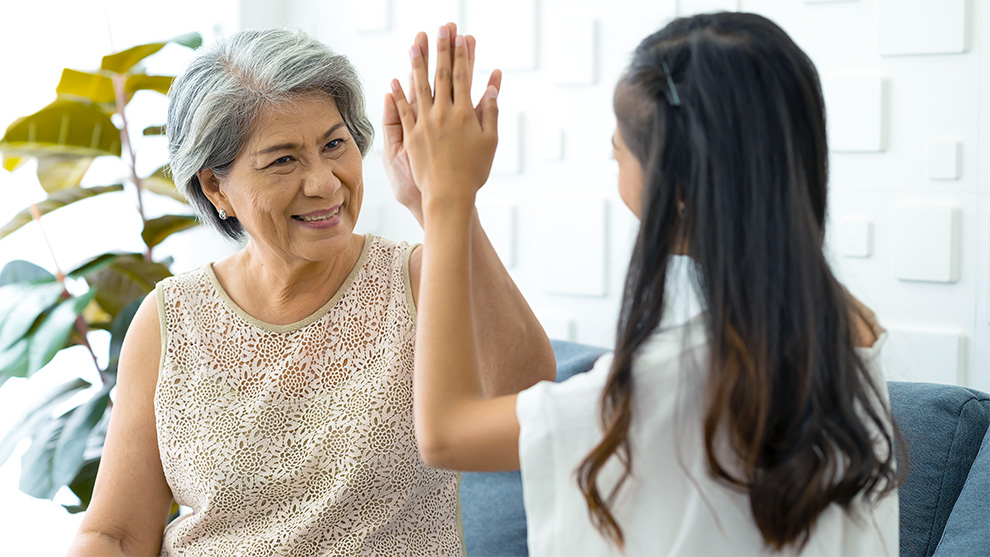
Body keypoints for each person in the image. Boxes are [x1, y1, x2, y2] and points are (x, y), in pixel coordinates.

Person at [391, 12, 903, 556]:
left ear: (676, 188)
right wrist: (435, 204)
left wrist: (448, 196)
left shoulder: (677, 381)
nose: (615, 164)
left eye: (619, 152)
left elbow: (446, 434)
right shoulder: (847, 327)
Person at [67, 26, 555, 556]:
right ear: (215, 187)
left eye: (334, 145)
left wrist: (439, 203)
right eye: (283, 159)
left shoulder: (417, 280)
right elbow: (114, 532)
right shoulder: (171, 317)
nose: (324, 182)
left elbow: (530, 404)